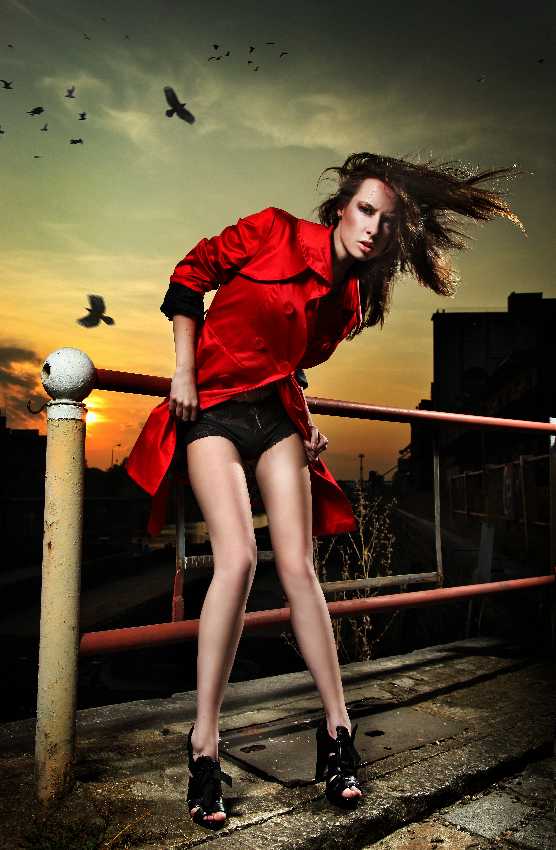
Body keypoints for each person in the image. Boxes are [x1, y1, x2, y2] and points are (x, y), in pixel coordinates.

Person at [125, 152, 524, 829]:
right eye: (365, 210)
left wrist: (305, 423)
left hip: (276, 418)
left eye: (387, 222)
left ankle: (337, 734)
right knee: (237, 561)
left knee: (300, 567)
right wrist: (184, 372)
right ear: (341, 208)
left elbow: (289, 362)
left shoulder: (347, 305)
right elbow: (188, 276)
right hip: (211, 409)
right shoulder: (270, 230)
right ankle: (204, 744)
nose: (372, 228)